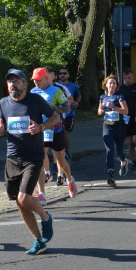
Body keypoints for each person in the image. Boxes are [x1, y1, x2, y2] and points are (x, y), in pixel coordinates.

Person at [0, 69, 57, 256]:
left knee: (24, 198)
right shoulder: (3, 103)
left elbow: (56, 117)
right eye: (10, 81)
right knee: (19, 202)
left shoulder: (35, 100)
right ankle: (39, 240)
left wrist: (41, 127)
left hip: (33, 158)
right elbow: (1, 126)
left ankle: (45, 217)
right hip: (12, 159)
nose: (12, 84)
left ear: (24, 84)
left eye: (16, 81)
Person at [30, 68, 77, 198]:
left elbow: (67, 108)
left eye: (38, 80)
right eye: (34, 80)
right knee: (39, 160)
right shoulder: (33, 92)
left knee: (61, 161)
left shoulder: (56, 91)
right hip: (40, 130)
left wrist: (53, 108)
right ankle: (42, 193)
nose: (36, 83)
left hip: (56, 130)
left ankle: (70, 180)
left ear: (46, 79)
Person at [98, 74, 130, 186]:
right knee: (109, 150)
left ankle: (124, 161)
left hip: (119, 125)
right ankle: (111, 175)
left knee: (119, 150)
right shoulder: (102, 97)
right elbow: (99, 110)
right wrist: (101, 111)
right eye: (110, 83)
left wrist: (114, 107)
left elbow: (126, 111)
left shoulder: (119, 96)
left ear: (116, 86)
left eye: (114, 83)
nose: (112, 85)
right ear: (106, 85)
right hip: (107, 125)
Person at [120, 69, 136, 169]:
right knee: (130, 143)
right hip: (126, 118)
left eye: (129, 78)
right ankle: (134, 162)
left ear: (133, 77)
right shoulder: (121, 89)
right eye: (125, 78)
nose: (127, 80)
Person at [56, 67, 80, 158]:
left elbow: (78, 95)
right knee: (59, 135)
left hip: (70, 114)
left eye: (64, 73)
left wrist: (77, 102)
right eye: (60, 73)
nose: (62, 75)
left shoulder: (73, 86)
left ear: (68, 75)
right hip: (59, 115)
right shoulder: (55, 86)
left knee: (65, 135)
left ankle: (66, 153)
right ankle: (59, 154)